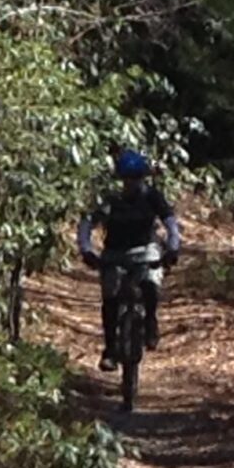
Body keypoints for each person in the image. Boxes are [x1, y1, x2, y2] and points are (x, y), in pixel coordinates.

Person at [76, 149, 181, 369]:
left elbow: (170, 222)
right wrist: (86, 249)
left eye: (135, 179)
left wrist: (172, 248)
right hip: (114, 252)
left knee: (151, 282)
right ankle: (110, 348)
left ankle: (151, 320)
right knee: (110, 297)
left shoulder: (152, 196)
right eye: (127, 179)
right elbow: (87, 222)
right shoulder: (111, 199)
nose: (131, 184)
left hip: (145, 248)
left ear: (143, 178)